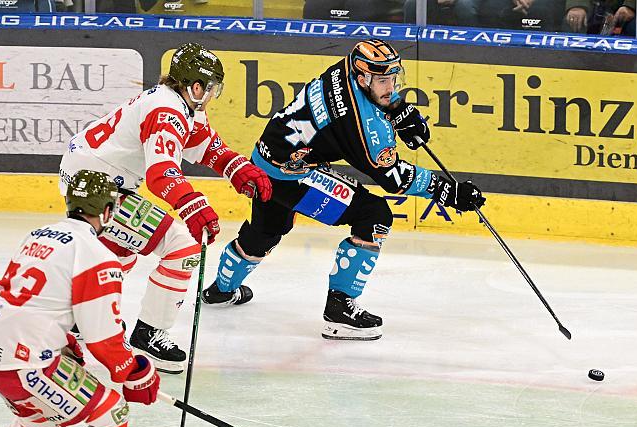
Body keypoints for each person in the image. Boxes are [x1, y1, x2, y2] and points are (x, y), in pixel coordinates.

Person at [201, 39, 486, 341]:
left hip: (264, 160)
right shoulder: (361, 123)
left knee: (266, 230)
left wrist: (399, 109)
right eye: (383, 81)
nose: (390, 86)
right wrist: (448, 191)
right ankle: (339, 311)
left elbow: (378, 100)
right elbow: (394, 178)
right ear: (363, 79)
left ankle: (221, 290)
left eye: (393, 78)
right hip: (293, 173)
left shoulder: (344, 69)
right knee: (374, 214)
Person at [59, 43, 272, 373]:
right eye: (212, 87)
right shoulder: (166, 112)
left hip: (90, 177)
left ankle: (78, 315)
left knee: (120, 251)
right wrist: (192, 206)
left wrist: (238, 168)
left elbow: (207, 148)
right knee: (181, 246)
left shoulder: (179, 102)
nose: (214, 94)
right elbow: (161, 174)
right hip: (98, 189)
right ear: (195, 86)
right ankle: (148, 333)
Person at [0, 170, 160, 427]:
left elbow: (15, 294)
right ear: (108, 212)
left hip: (2, 352)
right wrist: (136, 371)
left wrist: (62, 340)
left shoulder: (38, 234)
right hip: (27, 361)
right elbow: (103, 338)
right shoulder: (97, 254)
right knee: (111, 412)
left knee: (39, 414)